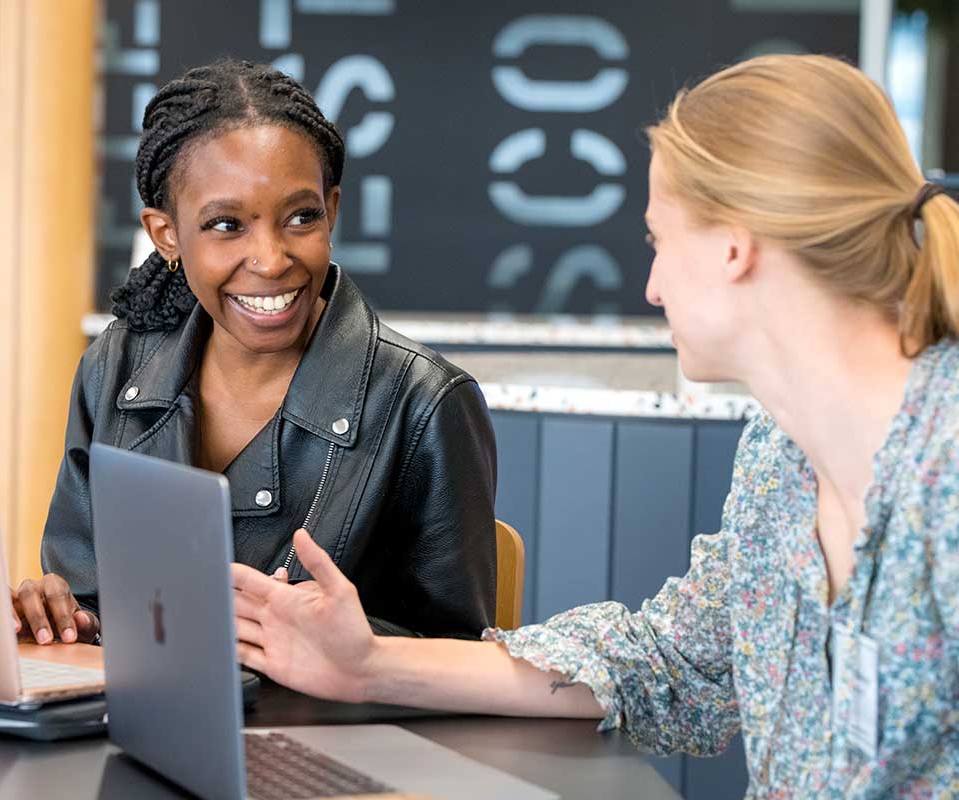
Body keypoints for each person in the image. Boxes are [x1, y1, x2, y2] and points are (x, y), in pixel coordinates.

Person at [230, 54, 959, 796]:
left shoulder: (946, 468)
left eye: (657, 241)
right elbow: (664, 665)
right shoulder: (779, 459)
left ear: (734, 247)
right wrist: (365, 665)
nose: (651, 286)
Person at [13, 60, 498, 647]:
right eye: (226, 225)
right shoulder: (114, 369)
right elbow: (89, 598)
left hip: (325, 736)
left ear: (333, 209)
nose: (270, 259)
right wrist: (62, 615)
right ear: (166, 233)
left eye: (301, 217)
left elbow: (461, 663)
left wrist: (327, 639)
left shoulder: (425, 405)